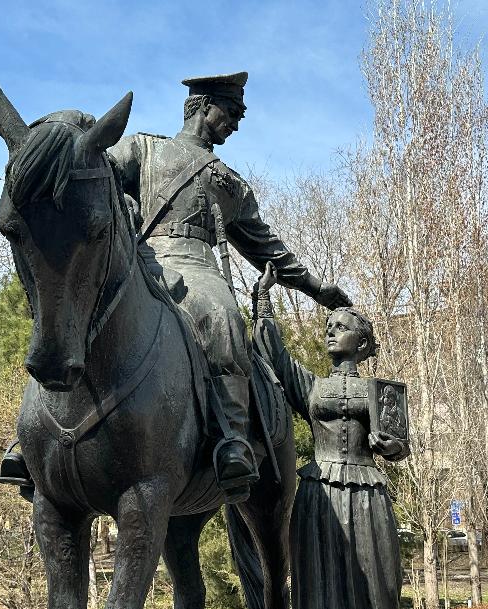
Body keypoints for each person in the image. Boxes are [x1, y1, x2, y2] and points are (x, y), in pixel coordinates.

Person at [104, 72, 351, 502]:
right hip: (138, 258)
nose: (235, 125)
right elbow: (99, 178)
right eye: (232, 113)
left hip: (196, 266)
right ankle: (36, 439)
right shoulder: (144, 148)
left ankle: (232, 438)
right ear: (202, 105)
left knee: (222, 316)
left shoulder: (230, 184)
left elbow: (267, 248)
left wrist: (317, 288)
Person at [252, 262, 408, 608]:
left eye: (341, 327)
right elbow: (276, 357)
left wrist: (391, 446)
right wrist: (264, 300)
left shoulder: (379, 391)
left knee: (376, 577)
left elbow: (400, 446)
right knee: (319, 577)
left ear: (361, 341)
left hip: (366, 492)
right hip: (318, 492)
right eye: (329, 326)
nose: (331, 331)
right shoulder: (312, 387)